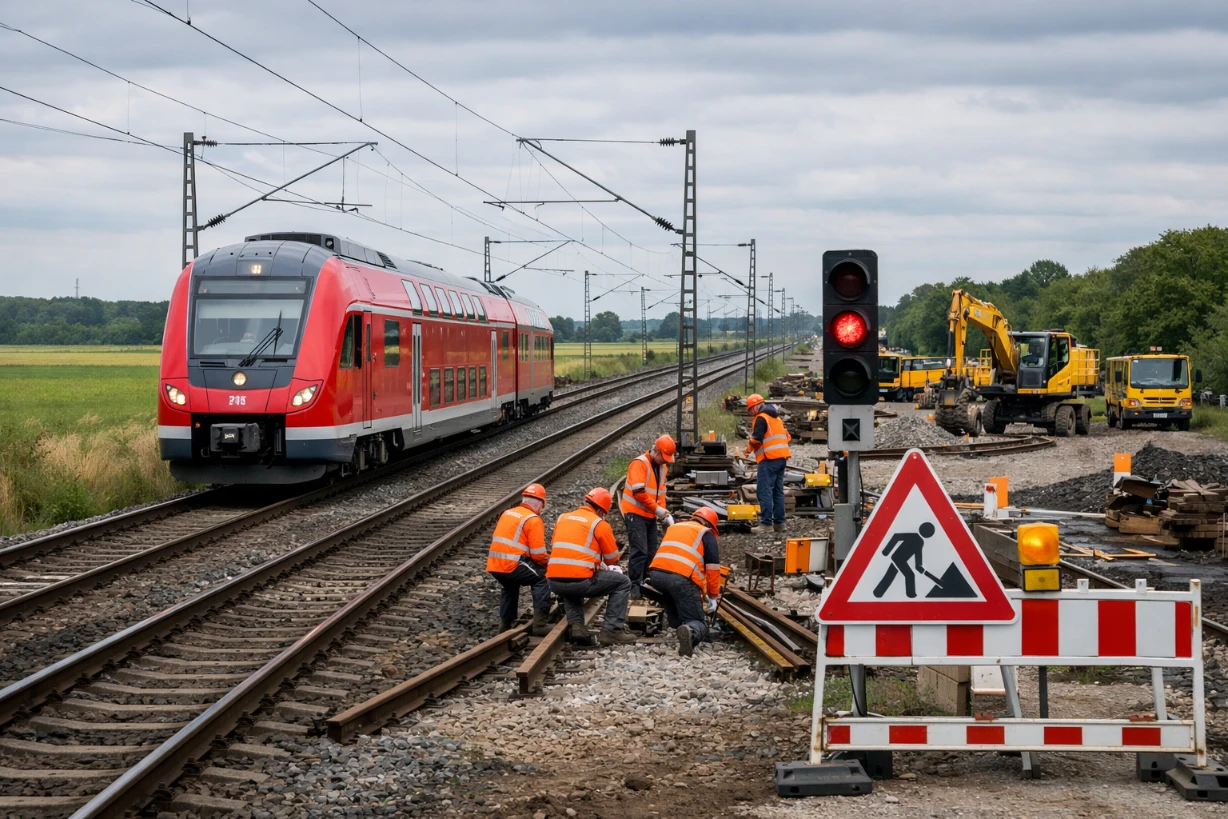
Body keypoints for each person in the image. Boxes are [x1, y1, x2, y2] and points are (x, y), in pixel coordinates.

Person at [546, 487, 636, 646]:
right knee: (623, 582)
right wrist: (599, 561)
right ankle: (612, 630)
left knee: (571, 581)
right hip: (580, 582)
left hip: (554, 582)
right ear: (601, 510)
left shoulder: (562, 518)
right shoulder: (599, 523)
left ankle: (577, 627)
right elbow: (612, 558)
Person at [645, 508, 722, 657]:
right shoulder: (706, 533)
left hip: (656, 575)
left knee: (674, 597)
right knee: (698, 622)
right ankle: (691, 632)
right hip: (680, 579)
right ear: (709, 524)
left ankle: (677, 624)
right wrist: (713, 595)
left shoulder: (675, 527)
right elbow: (712, 569)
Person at [486, 483, 553, 635]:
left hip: (495, 565)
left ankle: (504, 626)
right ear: (540, 503)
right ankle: (540, 624)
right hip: (512, 564)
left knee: (509, 586)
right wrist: (550, 562)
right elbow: (538, 555)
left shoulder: (508, 513)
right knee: (542, 577)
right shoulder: (533, 519)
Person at [619, 434, 677, 598]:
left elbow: (661, 493)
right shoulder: (639, 464)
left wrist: (663, 512)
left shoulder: (662, 468)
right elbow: (639, 493)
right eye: (664, 457)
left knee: (652, 551)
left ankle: (646, 583)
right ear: (656, 451)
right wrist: (657, 510)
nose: (665, 461)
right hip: (635, 513)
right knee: (640, 551)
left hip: (649, 514)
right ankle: (634, 586)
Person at [745, 393, 791, 534]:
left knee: (764, 491)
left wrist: (747, 450)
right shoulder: (776, 418)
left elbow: (756, 439)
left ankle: (766, 524)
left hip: (768, 459)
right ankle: (780, 523)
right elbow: (787, 436)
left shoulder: (761, 418)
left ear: (756, 406)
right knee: (778, 492)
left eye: (751, 410)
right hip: (781, 459)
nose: (752, 413)